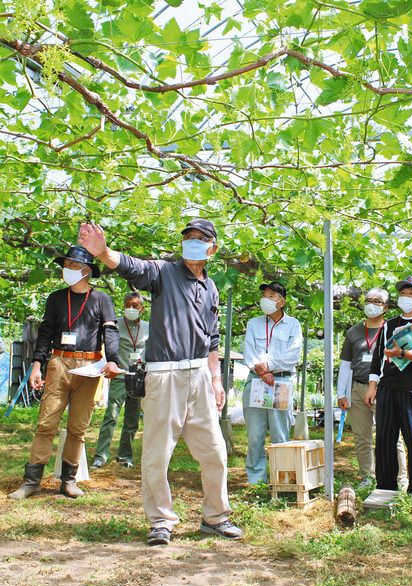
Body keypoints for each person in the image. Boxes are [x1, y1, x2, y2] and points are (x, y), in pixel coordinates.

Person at [78, 219, 243, 546]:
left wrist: (215, 378)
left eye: (200, 238)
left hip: (199, 375)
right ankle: (160, 521)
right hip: (164, 374)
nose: (192, 243)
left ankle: (215, 516)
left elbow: (212, 338)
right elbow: (133, 267)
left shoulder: (211, 287)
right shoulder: (165, 272)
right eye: (188, 238)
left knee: (214, 451)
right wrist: (104, 252)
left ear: (213, 248)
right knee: (156, 452)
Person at [8, 246, 120, 500]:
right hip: (59, 363)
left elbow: (110, 332)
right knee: (46, 424)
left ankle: (68, 480)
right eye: (65, 265)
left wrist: (112, 360)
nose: (66, 270)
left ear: (86, 270)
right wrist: (38, 365)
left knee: (77, 428)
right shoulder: (56, 298)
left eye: (71, 266)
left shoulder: (101, 299)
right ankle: (31, 481)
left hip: (89, 367)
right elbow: (45, 333)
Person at [364, 277, 412, 506]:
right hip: (388, 387)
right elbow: (378, 357)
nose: (406, 297)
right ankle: (385, 487)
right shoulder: (389, 324)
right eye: (403, 293)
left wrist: (406, 354)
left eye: (411, 293)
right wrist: (372, 385)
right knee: (385, 439)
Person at [337, 288, 408, 488]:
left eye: (377, 301)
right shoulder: (354, 332)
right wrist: (341, 393)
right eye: (369, 300)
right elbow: (345, 364)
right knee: (362, 437)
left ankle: (400, 478)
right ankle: (367, 476)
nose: (372, 304)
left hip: (383, 388)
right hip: (358, 388)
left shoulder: (393, 330)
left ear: (385, 307)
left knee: (393, 436)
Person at [242, 282, 302, 484]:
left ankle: (282, 480)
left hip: (281, 381)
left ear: (282, 301)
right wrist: (261, 371)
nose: (266, 299)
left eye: (272, 295)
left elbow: (292, 355)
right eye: (264, 295)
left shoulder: (293, 324)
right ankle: (256, 481)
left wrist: (268, 366)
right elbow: (249, 351)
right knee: (255, 435)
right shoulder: (253, 323)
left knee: (280, 433)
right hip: (256, 381)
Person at [92, 292, 150, 469]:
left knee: (132, 419)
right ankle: (100, 456)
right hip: (120, 375)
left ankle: (125, 456)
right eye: (128, 305)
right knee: (112, 415)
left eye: (135, 305)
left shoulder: (149, 327)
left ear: (142, 308)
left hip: (138, 378)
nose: (131, 308)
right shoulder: (115, 325)